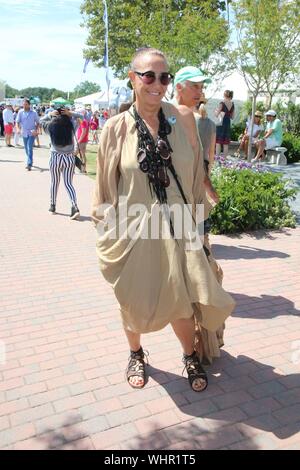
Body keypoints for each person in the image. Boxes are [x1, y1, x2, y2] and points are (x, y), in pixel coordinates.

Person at [92, 47, 235, 392]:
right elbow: (104, 192)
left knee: (182, 299)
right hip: (136, 231)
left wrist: (199, 228)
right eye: (149, 76)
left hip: (181, 230)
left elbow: (196, 175)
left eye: (164, 77)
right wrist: (111, 236)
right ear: (133, 78)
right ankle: (136, 353)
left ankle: (189, 355)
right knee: (133, 299)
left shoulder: (183, 119)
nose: (158, 84)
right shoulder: (114, 129)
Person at [174, 66, 225, 363]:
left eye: (201, 86)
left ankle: (202, 342)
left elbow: (202, 169)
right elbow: (204, 167)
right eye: (195, 86)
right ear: (179, 87)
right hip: (184, 209)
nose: (200, 91)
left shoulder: (181, 119)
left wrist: (208, 190)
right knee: (197, 274)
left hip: (189, 208)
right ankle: (203, 341)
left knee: (196, 274)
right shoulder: (182, 120)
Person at [40, 107, 82, 219]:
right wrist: (71, 113)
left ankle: (52, 205)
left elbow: (41, 121)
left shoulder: (51, 126)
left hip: (55, 157)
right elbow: (83, 117)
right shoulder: (71, 125)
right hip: (69, 158)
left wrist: (50, 114)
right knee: (68, 183)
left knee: (54, 182)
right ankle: (74, 206)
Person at [16, 99, 40, 171]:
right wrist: (17, 129)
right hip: (24, 132)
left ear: (29, 105)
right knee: (26, 149)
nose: (24, 105)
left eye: (26, 104)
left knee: (29, 148)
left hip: (32, 133)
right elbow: (17, 122)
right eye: (23, 104)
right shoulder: (20, 112)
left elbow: (38, 122)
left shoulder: (34, 113)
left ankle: (29, 164)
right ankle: (30, 160)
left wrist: (36, 130)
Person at [215, 90, 235, 158]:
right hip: (227, 123)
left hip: (221, 123)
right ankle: (224, 159)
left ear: (225, 95)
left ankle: (217, 158)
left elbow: (216, 114)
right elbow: (232, 117)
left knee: (218, 142)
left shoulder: (222, 103)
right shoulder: (232, 104)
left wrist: (216, 111)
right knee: (225, 143)